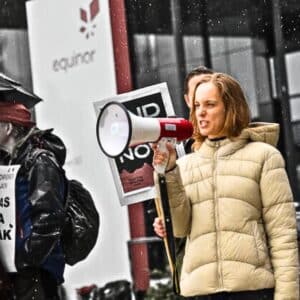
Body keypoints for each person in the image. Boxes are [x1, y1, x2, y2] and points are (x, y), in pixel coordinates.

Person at [152, 72, 299, 299]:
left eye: (210, 104)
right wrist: (168, 172)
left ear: (231, 108)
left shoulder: (264, 157)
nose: (200, 112)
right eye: (197, 105)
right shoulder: (183, 166)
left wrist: (287, 296)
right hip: (199, 292)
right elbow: (180, 228)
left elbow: (283, 236)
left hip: (251, 291)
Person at [0, 102, 67, 300]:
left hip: (35, 271)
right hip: (16, 269)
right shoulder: (8, 161)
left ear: (8, 127)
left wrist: (26, 258)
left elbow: (50, 219)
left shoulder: (40, 161)